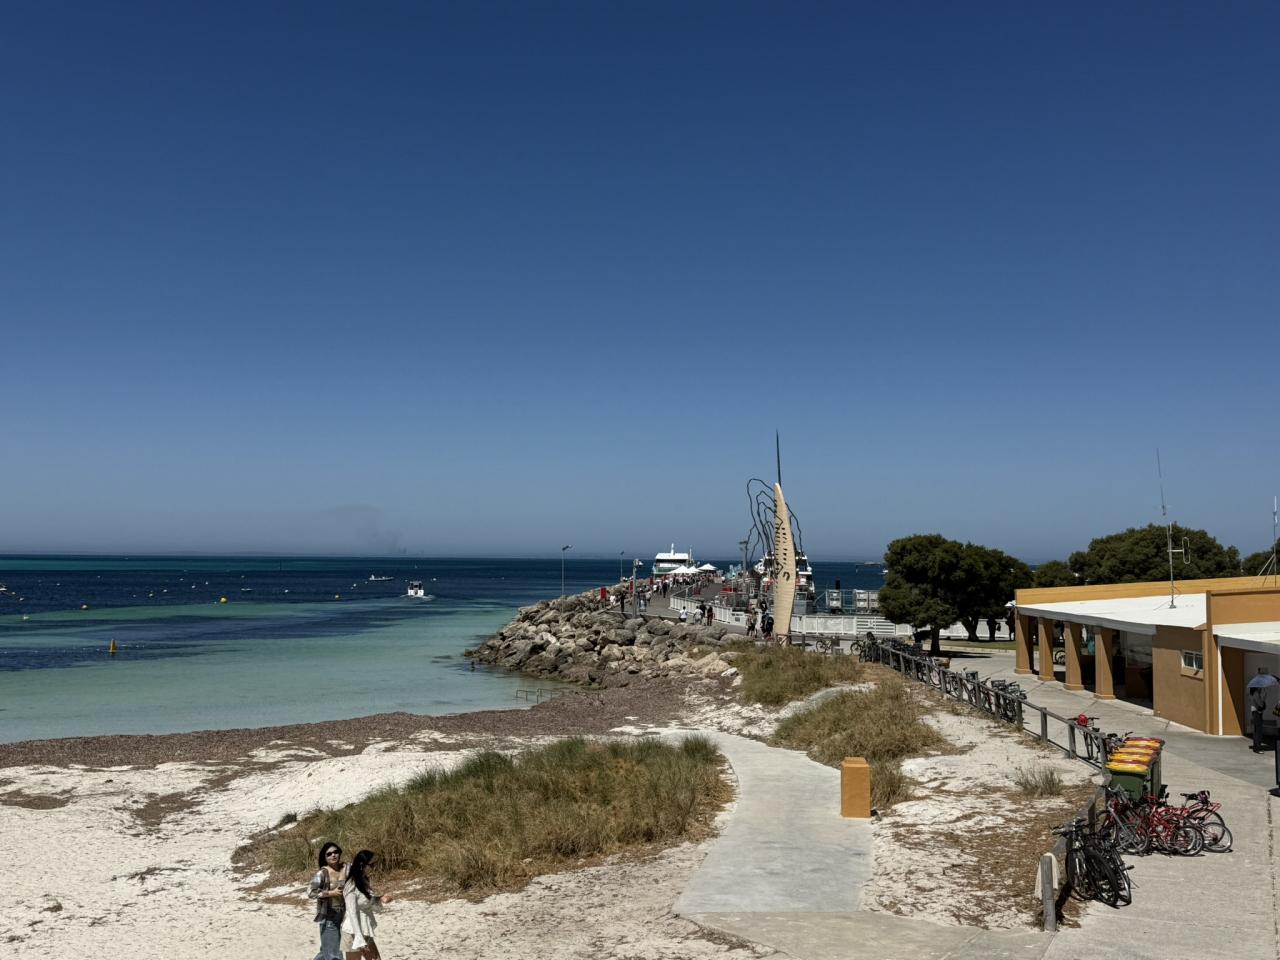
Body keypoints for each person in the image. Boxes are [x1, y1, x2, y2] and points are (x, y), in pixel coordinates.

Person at [342, 849, 393, 960]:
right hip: (353, 931)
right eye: (372, 864)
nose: (374, 867)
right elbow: (352, 912)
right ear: (362, 865)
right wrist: (359, 939)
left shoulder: (363, 880)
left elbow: (366, 902)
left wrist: (380, 899)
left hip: (365, 928)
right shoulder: (351, 885)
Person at [307, 842, 347, 960]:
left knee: (326, 952)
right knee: (334, 954)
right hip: (329, 916)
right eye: (329, 854)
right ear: (325, 858)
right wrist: (330, 893)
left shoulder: (346, 869)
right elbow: (311, 892)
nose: (333, 855)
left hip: (344, 916)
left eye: (335, 852)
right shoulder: (322, 873)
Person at [1248, 668, 1279, 752]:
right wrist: (1264, 697)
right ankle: (1257, 748)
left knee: (1256, 730)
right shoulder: (1256, 694)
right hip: (1257, 713)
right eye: (1259, 687)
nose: (1260, 688)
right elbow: (1261, 704)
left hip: (1255, 712)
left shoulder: (1253, 693)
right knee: (1258, 731)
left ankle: (1256, 746)